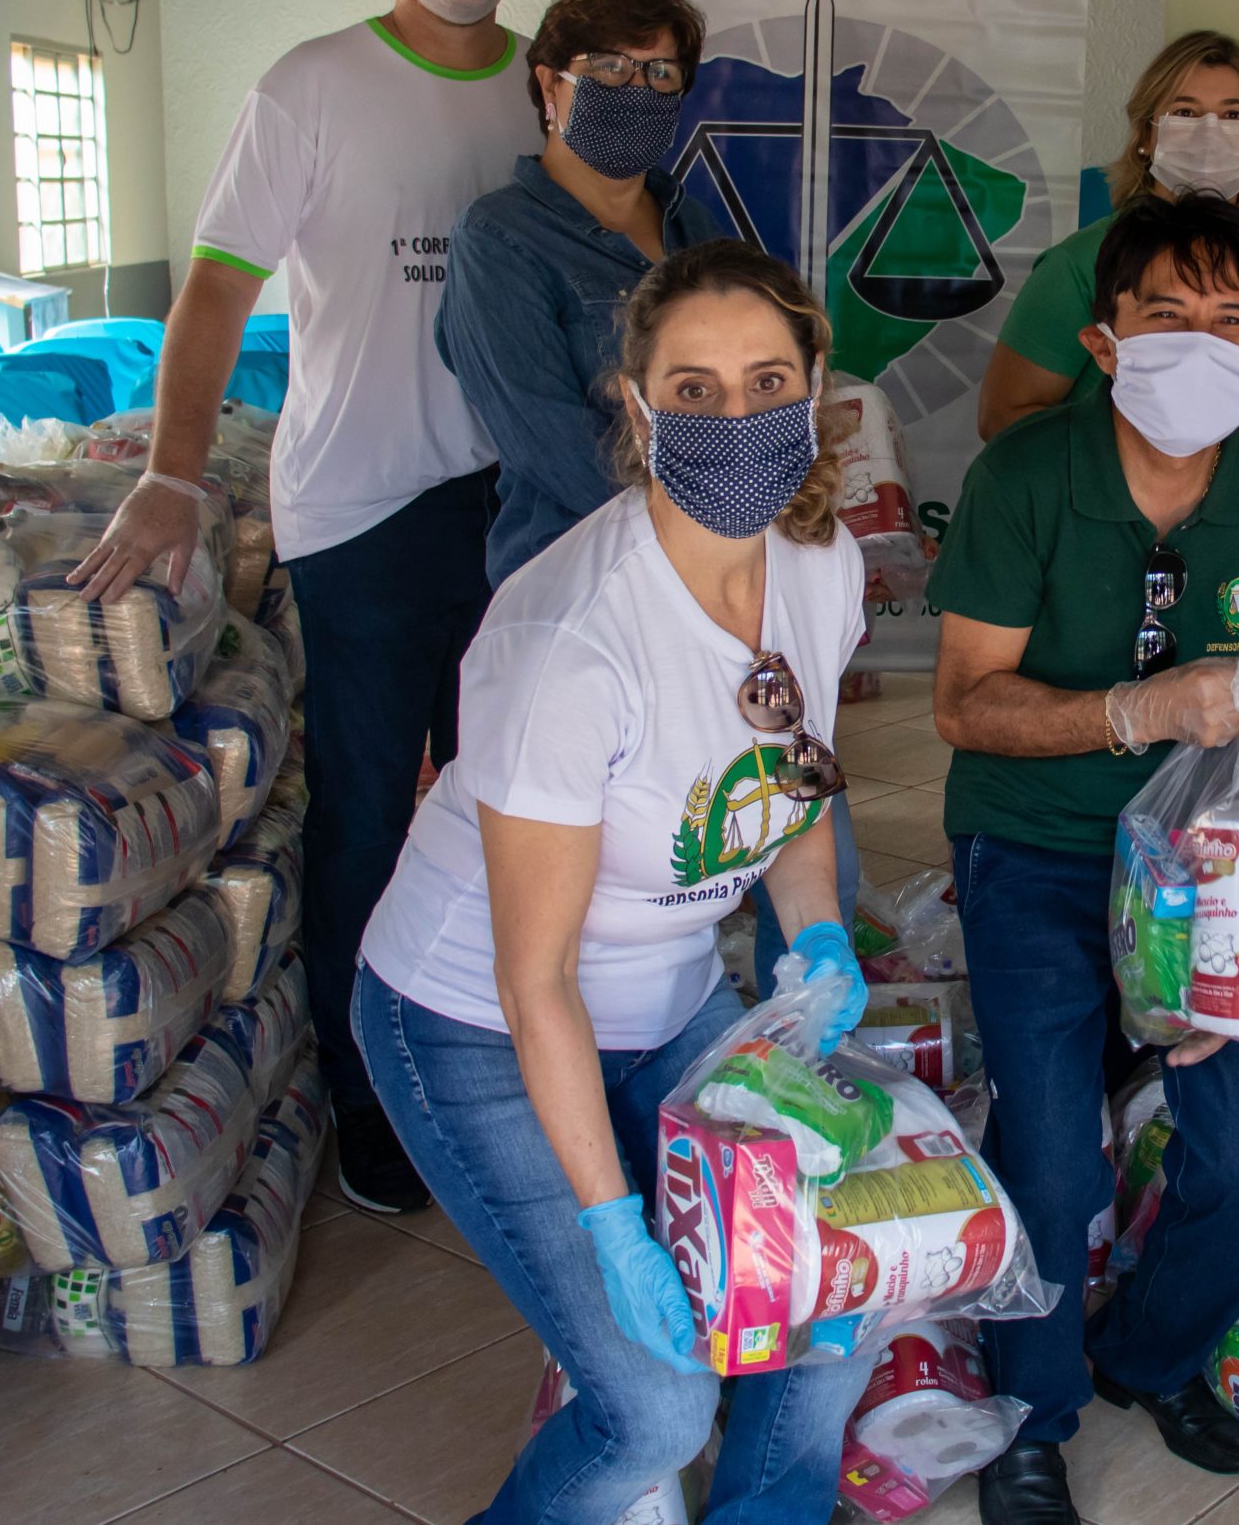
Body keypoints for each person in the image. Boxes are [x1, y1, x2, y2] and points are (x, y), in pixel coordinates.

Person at [355, 240, 875, 1524]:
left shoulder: (820, 567)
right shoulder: (570, 637)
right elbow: (535, 982)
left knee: (825, 1298)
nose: (736, 417)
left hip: (670, 996)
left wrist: (816, 937)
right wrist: (613, 1223)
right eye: (695, 391)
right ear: (639, 411)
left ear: (814, 385)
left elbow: (796, 785)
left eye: (767, 382)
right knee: (654, 1409)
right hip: (474, 1022)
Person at [73, 0, 538, 1213]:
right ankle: (369, 1096)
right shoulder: (313, 85)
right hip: (363, 507)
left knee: (514, 805)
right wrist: (174, 471)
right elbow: (216, 287)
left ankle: (498, 1058)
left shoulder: (544, 89)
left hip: (513, 504)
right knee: (368, 817)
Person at [930, 194, 1239, 1525]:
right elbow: (964, 703)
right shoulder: (1025, 476)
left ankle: (1148, 1353)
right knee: (1056, 1161)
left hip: (1205, 867)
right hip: (1038, 845)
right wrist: (1133, 710)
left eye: (1233, 320)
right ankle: (1031, 1415)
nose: (1201, 343)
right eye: (1166, 314)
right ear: (1104, 340)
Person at [436, 0, 861, 995]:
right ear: (550, 85)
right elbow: (541, 435)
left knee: (807, 846)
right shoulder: (501, 237)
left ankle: (786, 1039)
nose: (638, 89)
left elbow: (750, 392)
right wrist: (703, 531)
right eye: (610, 70)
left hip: (731, 590)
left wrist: (758, 508)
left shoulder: (695, 219)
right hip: (596, 596)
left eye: (661, 73)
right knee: (610, 890)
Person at [976, 31, 1239, 487]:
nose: (1210, 132)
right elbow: (1004, 415)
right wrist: (1127, 497)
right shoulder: (1081, 263)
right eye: (1185, 112)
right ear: (1146, 136)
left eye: (1233, 114)